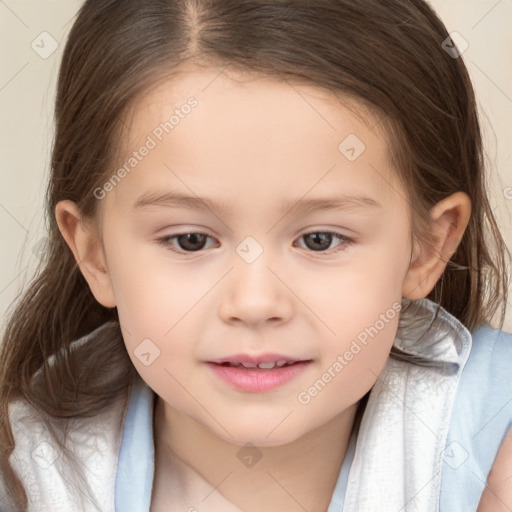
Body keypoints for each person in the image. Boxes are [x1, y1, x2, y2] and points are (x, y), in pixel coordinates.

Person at [1, 0, 511, 510]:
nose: (254, 302)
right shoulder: (26, 473)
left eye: (320, 240)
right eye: (190, 240)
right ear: (96, 256)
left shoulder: (493, 447)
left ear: (427, 248)